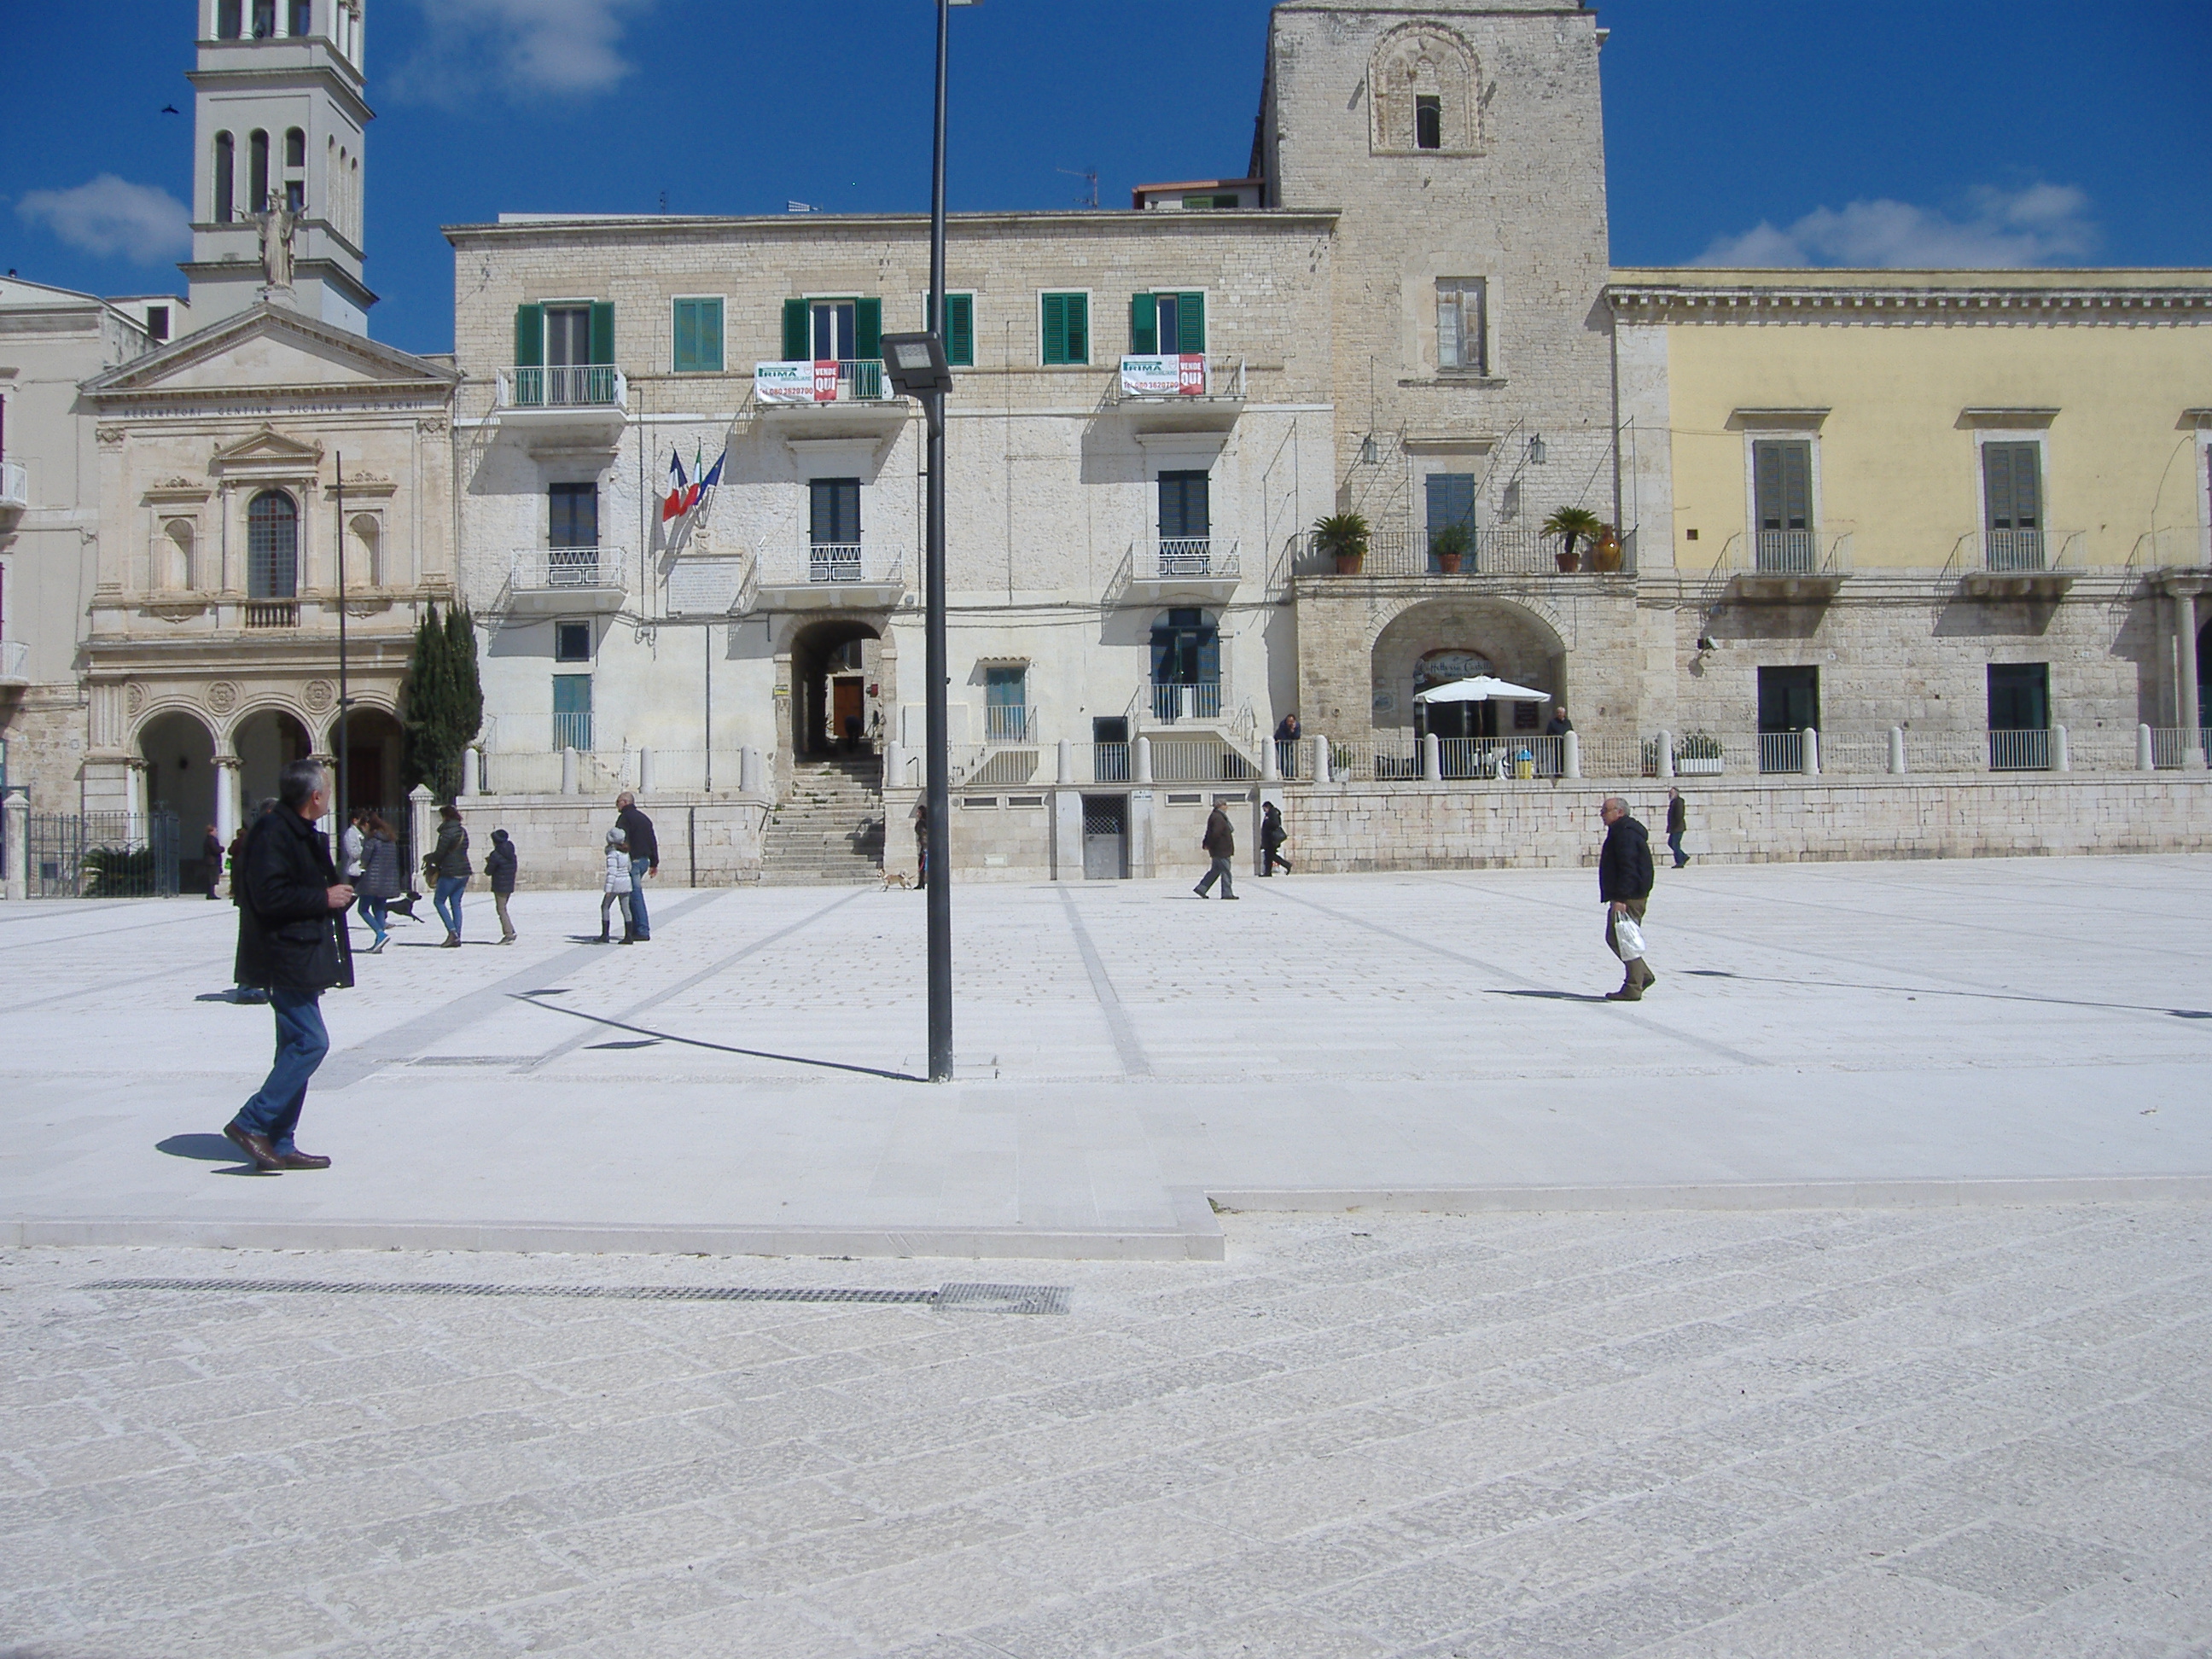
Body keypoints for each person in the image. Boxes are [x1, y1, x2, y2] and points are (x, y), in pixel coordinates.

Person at [224, 759, 352, 1172]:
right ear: (315, 797)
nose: (329, 797)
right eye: (327, 791)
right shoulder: (272, 833)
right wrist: (323, 898)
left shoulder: (296, 832)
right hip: (285, 956)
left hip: (304, 952)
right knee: (312, 1043)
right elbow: (268, 897)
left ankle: (279, 1139)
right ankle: (252, 1122)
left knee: (292, 1048)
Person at [1598, 795, 1656, 1002]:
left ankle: (1633, 986)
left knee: (1620, 938)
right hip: (1631, 895)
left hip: (1629, 897)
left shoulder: (1624, 834)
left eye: (1606, 810)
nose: (1602, 815)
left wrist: (1621, 898)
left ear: (1619, 812)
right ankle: (1643, 976)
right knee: (1621, 938)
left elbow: (1628, 867)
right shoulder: (1623, 831)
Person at [355, 814, 402, 953]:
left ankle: (380, 934)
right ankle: (379, 943)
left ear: (367, 825)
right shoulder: (390, 840)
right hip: (387, 880)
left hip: (372, 881)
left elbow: (365, 859)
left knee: (363, 909)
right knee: (380, 909)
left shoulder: (372, 840)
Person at [614, 792, 658, 940]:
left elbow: (621, 841)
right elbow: (652, 841)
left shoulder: (624, 819)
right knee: (633, 894)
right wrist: (654, 862)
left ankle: (642, 930)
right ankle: (634, 929)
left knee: (634, 896)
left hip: (633, 861)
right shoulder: (644, 818)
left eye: (618, 802)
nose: (617, 805)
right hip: (644, 861)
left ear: (625, 802)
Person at [428, 803, 469, 947]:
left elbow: (440, 853)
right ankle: (458, 934)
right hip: (464, 871)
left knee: (439, 901)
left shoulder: (446, 833)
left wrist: (430, 859)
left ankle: (452, 933)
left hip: (450, 871)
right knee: (456, 903)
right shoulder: (462, 831)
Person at [1195, 800, 1238, 899]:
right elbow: (1215, 833)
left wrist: (1207, 843)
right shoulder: (1218, 817)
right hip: (1221, 849)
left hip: (1218, 849)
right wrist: (1210, 844)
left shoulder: (1217, 816)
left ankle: (1201, 888)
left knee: (1216, 870)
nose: (1227, 807)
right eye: (1225, 805)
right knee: (1226, 871)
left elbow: (1209, 832)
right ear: (1221, 806)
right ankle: (1227, 893)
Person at [599, 827, 634, 943]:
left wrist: (608, 889)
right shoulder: (625, 852)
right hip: (626, 882)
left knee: (605, 906)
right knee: (625, 909)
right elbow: (629, 867)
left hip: (616, 884)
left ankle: (605, 935)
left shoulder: (612, 854)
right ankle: (628, 936)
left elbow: (612, 872)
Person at [485, 828, 519, 943]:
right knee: (503, 908)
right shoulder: (511, 853)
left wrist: (489, 862)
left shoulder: (496, 854)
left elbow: (488, 871)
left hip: (500, 885)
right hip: (509, 884)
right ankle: (510, 930)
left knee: (501, 909)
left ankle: (509, 933)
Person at [1260, 800, 1291, 876]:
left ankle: (1287, 865)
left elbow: (1275, 824)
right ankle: (1268, 872)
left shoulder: (1272, 814)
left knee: (1271, 855)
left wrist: (1267, 822)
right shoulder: (1271, 814)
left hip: (1271, 839)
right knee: (1269, 856)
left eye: (1264, 809)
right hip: (1269, 839)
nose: (1264, 811)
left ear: (1268, 807)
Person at [1666, 786, 1689, 870]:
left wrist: (1675, 825)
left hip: (1677, 827)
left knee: (1675, 844)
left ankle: (1679, 862)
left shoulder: (1679, 802)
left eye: (1671, 793)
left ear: (1676, 793)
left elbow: (1679, 815)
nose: (1670, 794)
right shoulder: (1674, 802)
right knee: (1671, 843)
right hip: (1674, 827)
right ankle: (1683, 856)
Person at [1274, 712, 1301, 776]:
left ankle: (1290, 774)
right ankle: (1284, 774)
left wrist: (1293, 731)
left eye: (1291, 721)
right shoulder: (1283, 724)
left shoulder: (1297, 726)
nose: (1289, 723)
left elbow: (1297, 737)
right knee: (1283, 758)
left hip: (1289, 743)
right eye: (1288, 721)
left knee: (1290, 758)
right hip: (1280, 742)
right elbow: (1282, 736)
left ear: (1294, 721)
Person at [201, 824, 224, 899]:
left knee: (211, 878)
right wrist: (222, 849)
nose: (216, 832)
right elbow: (215, 849)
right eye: (215, 830)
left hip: (210, 861)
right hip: (213, 861)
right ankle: (211, 894)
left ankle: (210, 893)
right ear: (211, 831)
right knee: (212, 878)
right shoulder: (212, 840)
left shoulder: (208, 839)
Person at [912, 799, 929, 886]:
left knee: (923, 865)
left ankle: (922, 883)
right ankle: (922, 882)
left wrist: (925, 848)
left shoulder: (922, 824)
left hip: (925, 847)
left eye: (919, 812)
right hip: (925, 846)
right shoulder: (926, 823)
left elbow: (924, 837)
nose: (917, 814)